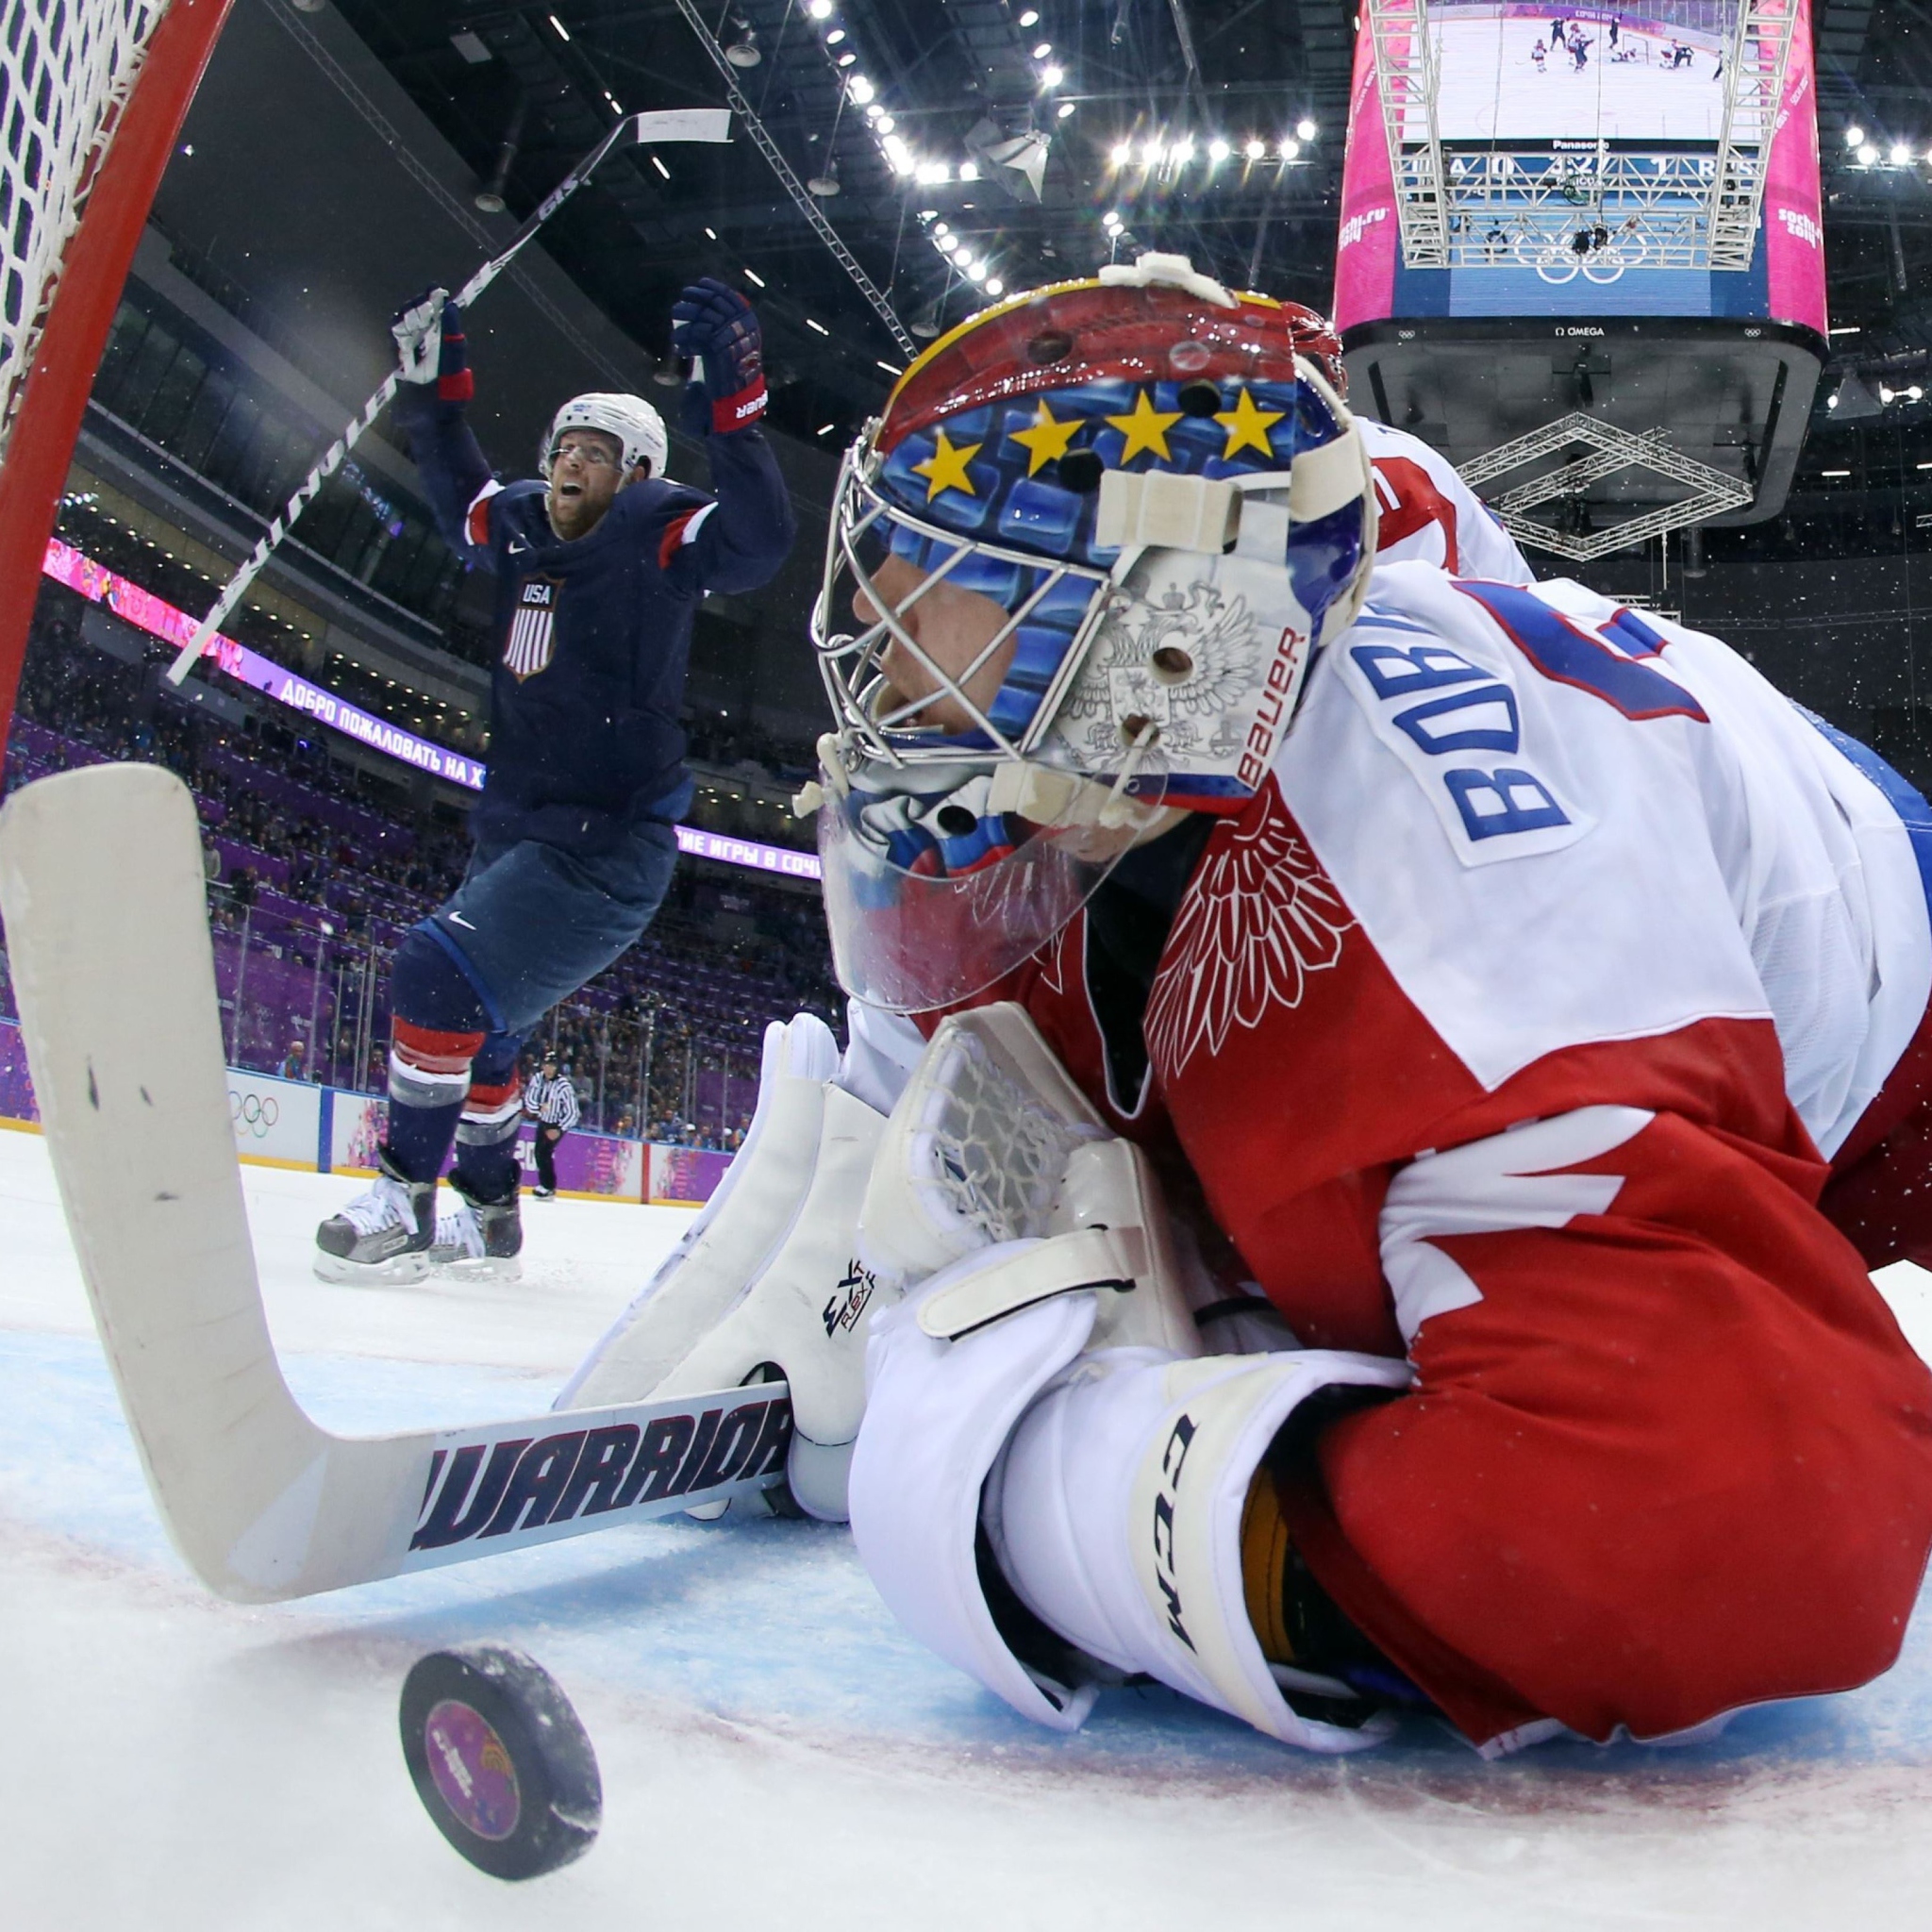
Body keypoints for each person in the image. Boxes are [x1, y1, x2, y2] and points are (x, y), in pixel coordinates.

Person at [570, 256, 1932, 1760]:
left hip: (1872, 1020)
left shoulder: (1442, 918)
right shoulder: (1177, 701)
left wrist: (1043, 1490)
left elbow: (1735, 1531)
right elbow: (1386, 487)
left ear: (1153, 644)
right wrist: (868, 1156)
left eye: (934, 601)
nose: (878, 667)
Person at [312, 277, 793, 1284]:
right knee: (488, 1030)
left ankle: (403, 1194)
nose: (570, 462)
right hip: (521, 827)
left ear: (641, 472)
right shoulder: (527, 523)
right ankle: (489, 1214)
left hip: (604, 847)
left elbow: (758, 545)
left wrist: (735, 415)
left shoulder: (656, 529)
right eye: (563, 447)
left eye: (597, 453)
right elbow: (456, 490)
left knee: (435, 973)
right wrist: (432, 391)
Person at [523, 1052, 579, 1200]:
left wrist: (559, 1129)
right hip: (543, 1121)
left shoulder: (564, 1086)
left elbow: (573, 1112)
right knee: (538, 1153)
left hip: (556, 1123)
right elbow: (529, 1100)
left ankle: (548, 1187)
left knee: (545, 1153)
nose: (548, 1069)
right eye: (546, 1065)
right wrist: (538, 1108)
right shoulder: (538, 1079)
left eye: (552, 1066)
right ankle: (545, 1185)